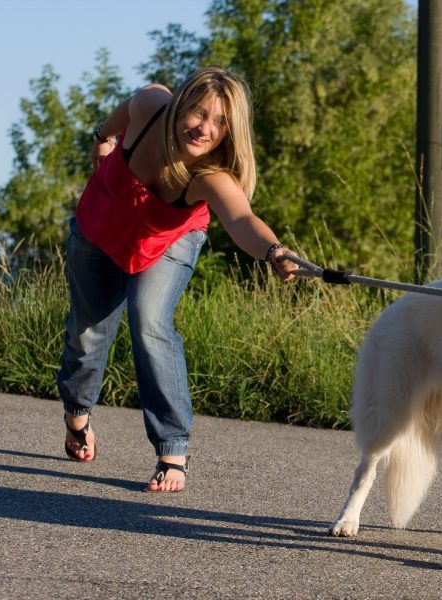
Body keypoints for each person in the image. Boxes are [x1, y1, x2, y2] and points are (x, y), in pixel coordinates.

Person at [57, 66, 298, 492]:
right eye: (198, 113)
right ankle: (77, 414)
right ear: (180, 105)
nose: (205, 128)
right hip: (101, 226)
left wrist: (274, 250)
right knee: (87, 332)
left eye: (220, 122)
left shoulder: (210, 175)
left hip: (166, 240)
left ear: (230, 131)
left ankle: (172, 448)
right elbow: (122, 111)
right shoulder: (152, 105)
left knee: (150, 321)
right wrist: (103, 138)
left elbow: (242, 219)